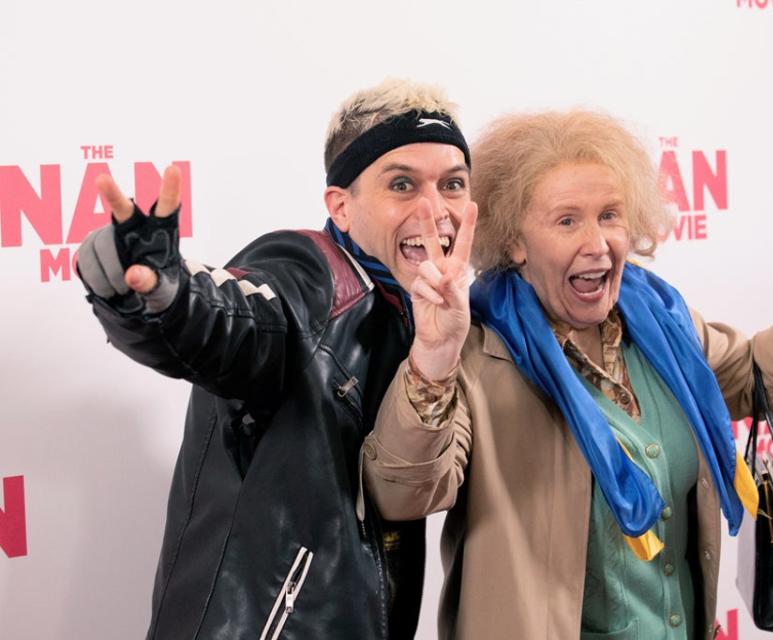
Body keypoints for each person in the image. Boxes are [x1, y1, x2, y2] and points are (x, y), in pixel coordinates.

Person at [362, 109, 773, 639]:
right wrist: (432, 358)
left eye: (610, 215)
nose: (598, 243)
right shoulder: (477, 356)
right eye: (567, 221)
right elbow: (401, 492)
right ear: (514, 241)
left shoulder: (661, 324)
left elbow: (747, 371)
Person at [75, 78, 477, 640]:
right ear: (341, 206)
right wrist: (159, 295)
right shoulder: (309, 274)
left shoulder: (423, 314)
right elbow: (231, 321)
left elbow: (411, 491)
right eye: (403, 184)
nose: (436, 210)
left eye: (453, 184)